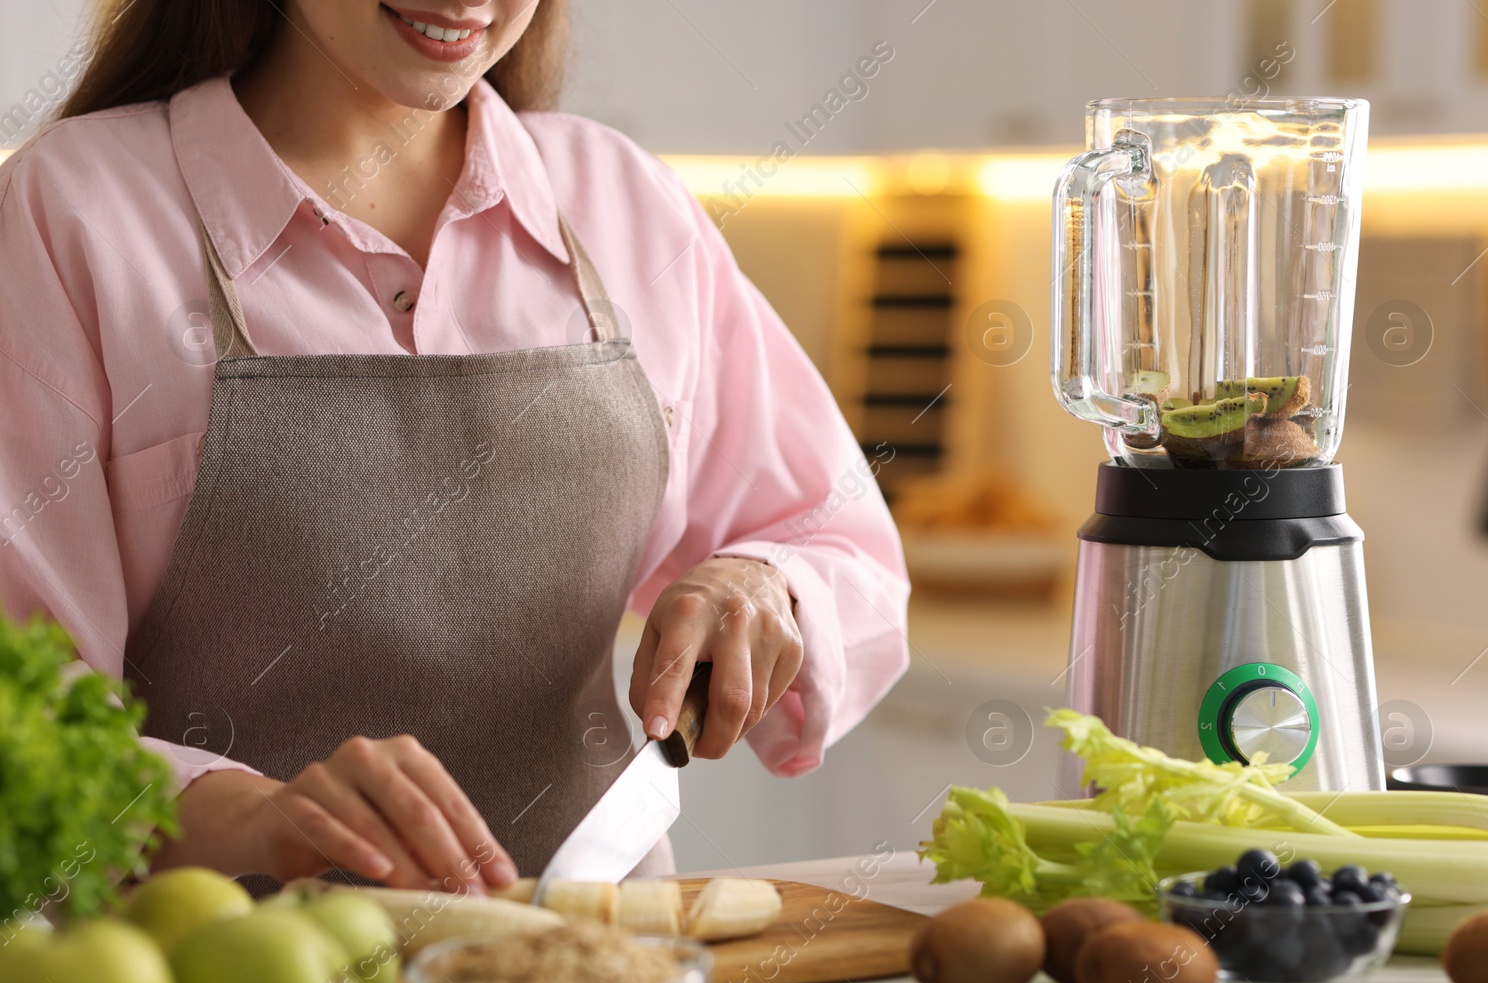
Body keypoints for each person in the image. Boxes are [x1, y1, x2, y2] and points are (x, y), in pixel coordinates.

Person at [0, 0, 908, 894]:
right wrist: (252, 818)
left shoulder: (623, 201)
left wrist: (763, 583)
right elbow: (21, 712)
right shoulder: (73, 211)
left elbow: (840, 543)